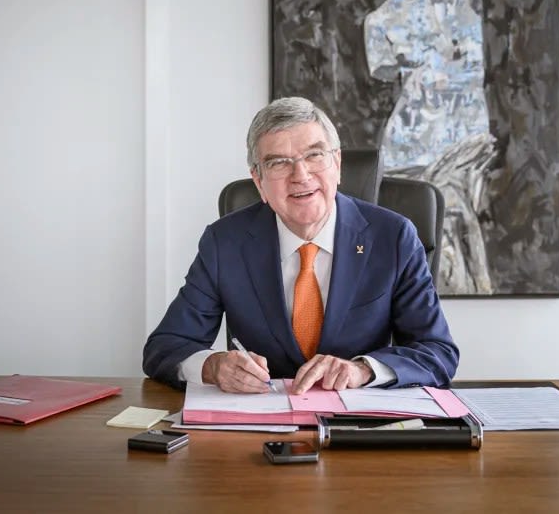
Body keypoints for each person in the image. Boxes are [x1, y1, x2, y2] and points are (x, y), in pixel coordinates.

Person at [143, 96, 459, 394]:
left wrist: (361, 371)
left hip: (360, 429)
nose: (301, 174)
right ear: (259, 182)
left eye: (314, 155)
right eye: (279, 162)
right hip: (258, 428)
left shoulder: (393, 237)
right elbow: (165, 347)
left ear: (337, 164)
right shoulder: (225, 243)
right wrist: (212, 367)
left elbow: (437, 352)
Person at [362, 0, 497, 294]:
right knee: (414, 232)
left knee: (456, 219)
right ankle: (416, 309)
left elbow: (473, 69)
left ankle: (470, 295)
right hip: (409, 136)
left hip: (458, 130)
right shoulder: (378, 21)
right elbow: (385, 71)